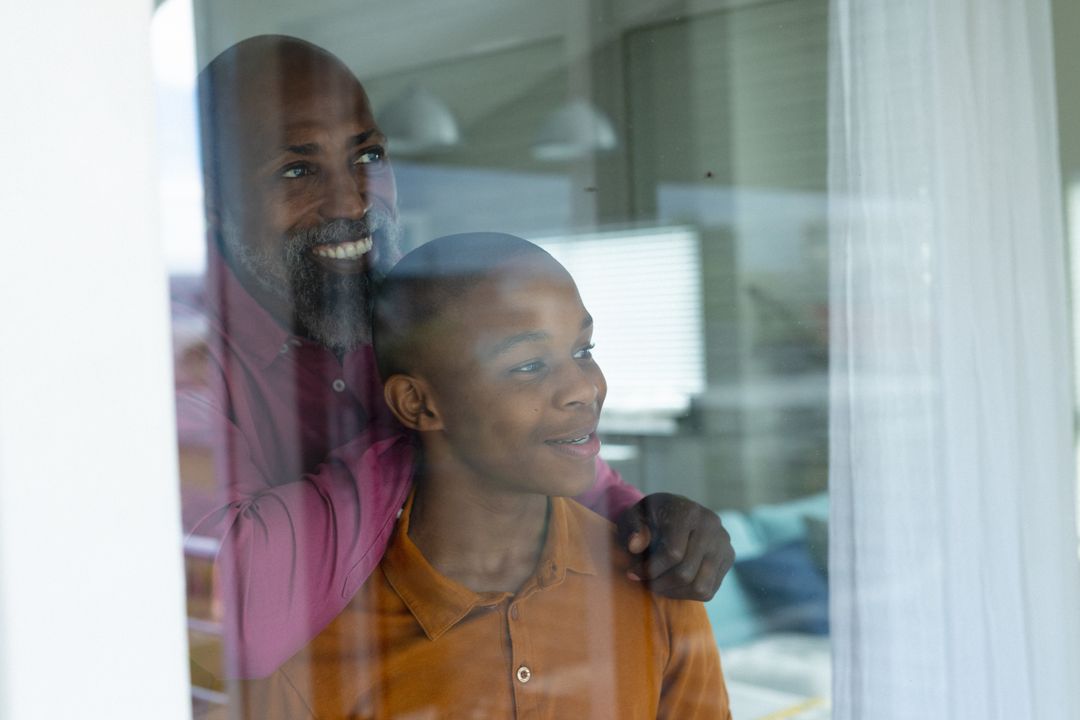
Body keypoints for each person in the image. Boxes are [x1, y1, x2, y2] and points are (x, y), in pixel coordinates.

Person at [179, 34, 734, 680]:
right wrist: (445, 419)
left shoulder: (399, 309)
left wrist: (653, 524)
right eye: (297, 170)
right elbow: (240, 617)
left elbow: (572, 478)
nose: (354, 202)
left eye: (369, 155)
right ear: (211, 203)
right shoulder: (172, 361)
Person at [229, 232, 732, 719]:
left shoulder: (655, 584)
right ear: (419, 403)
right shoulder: (319, 651)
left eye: (583, 350)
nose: (583, 389)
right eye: (529, 365)